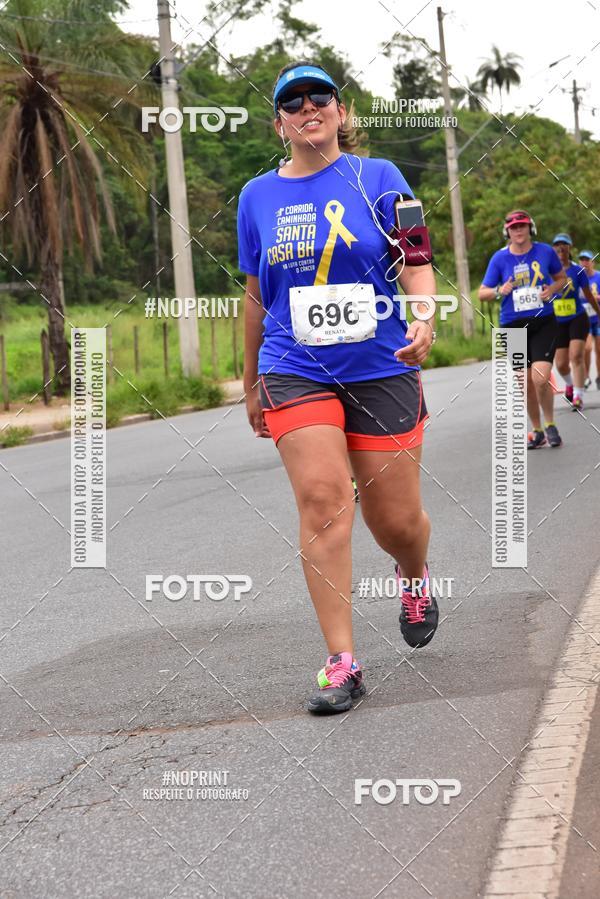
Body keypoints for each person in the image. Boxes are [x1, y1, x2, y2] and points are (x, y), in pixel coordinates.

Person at [237, 61, 439, 715]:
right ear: (279, 123)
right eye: (291, 103)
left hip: (381, 364)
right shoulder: (255, 197)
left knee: (396, 521)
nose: (306, 108)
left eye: (318, 96)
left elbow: (417, 256)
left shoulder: (380, 178)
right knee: (324, 500)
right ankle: (342, 661)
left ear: (341, 110)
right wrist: (249, 383)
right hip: (293, 365)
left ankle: (413, 575)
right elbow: (253, 295)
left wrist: (425, 316)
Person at [478, 211, 567, 448]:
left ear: (530, 228)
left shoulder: (545, 251)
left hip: (543, 321)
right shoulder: (499, 259)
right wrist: (500, 290)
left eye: (523, 226)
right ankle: (536, 429)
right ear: (507, 231)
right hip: (512, 326)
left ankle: (550, 424)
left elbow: (561, 279)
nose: (518, 231)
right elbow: (482, 292)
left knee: (539, 377)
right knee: (524, 381)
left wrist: (552, 290)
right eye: (514, 227)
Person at [550, 235, 598, 412]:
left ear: (570, 248)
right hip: (557, 322)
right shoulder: (548, 272)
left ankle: (578, 396)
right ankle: (570, 384)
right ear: (553, 250)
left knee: (576, 355)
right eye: (557, 245)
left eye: (564, 245)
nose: (560, 248)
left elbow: (589, 295)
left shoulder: (578, 271)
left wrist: (599, 313)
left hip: (577, 318)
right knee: (561, 364)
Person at [578, 250, 600, 390]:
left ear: (592, 262)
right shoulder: (578, 277)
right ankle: (586, 377)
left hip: (597, 318)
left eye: (587, 260)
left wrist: (596, 298)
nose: (585, 263)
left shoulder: (598, 277)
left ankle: (599, 377)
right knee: (586, 348)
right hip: (584, 318)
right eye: (582, 260)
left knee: (598, 349)